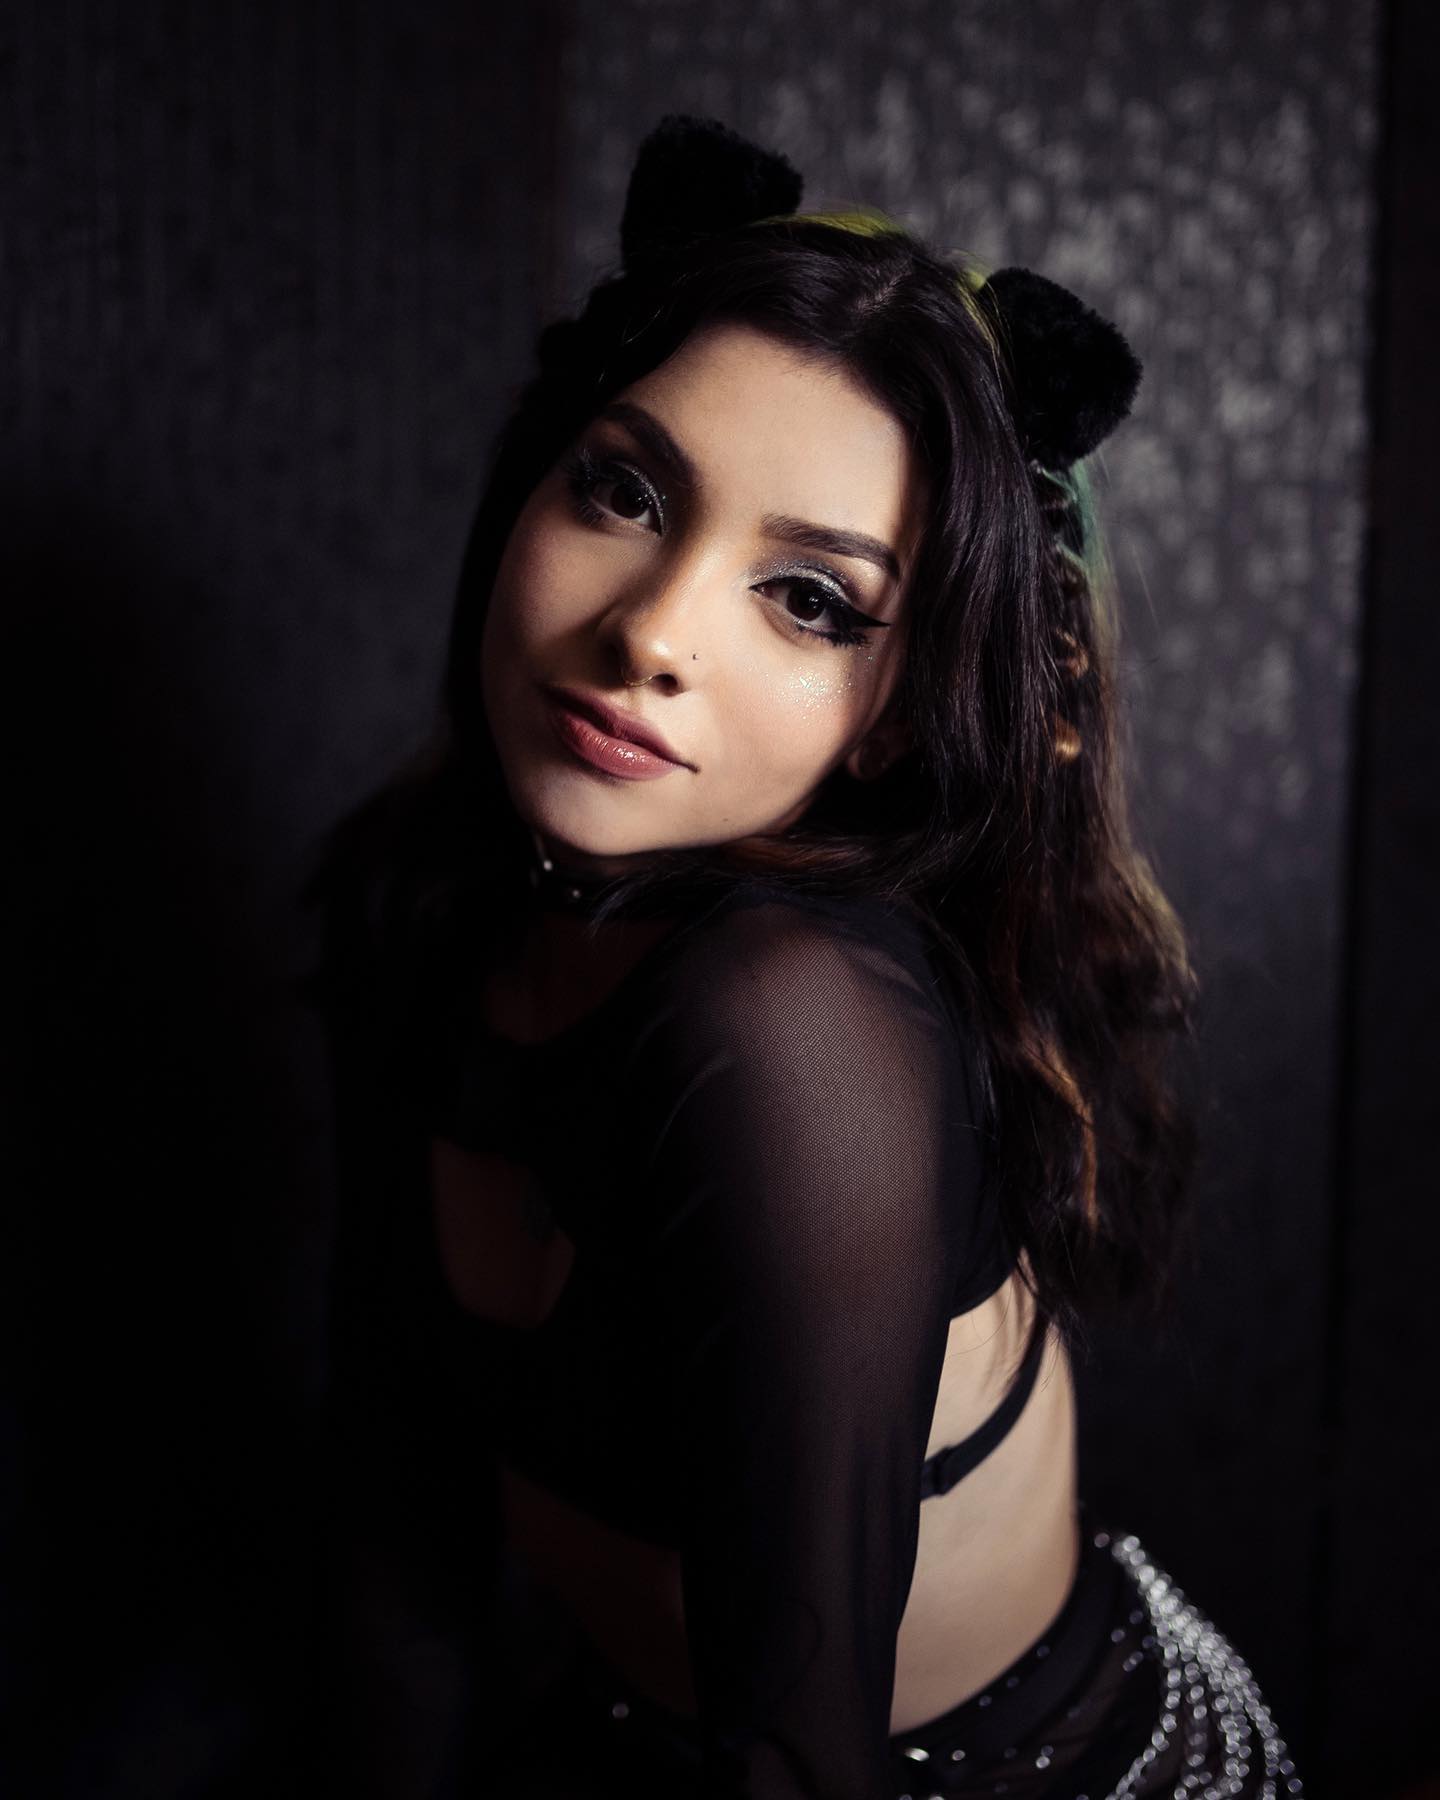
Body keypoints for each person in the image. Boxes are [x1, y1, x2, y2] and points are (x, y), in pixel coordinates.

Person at [301, 115, 1303, 1800]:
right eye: (624, 491)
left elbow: (797, 1749)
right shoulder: (421, 906)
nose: (651, 633)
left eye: (812, 601)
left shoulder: (797, 1025)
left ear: (901, 716)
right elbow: (400, 1530)